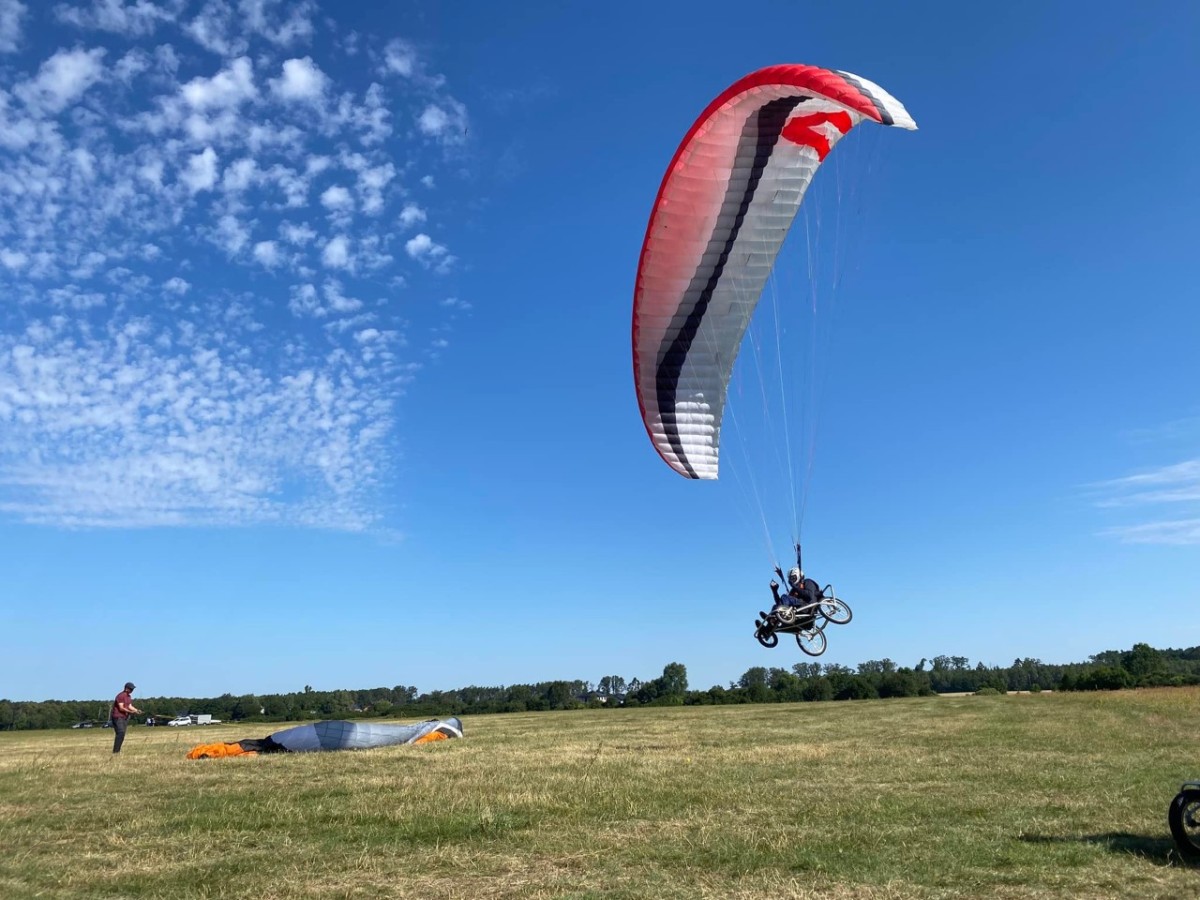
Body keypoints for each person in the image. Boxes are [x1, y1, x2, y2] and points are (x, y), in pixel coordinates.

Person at [110, 682, 141, 754]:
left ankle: (117, 751)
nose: (132, 690)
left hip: (124, 717)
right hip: (118, 717)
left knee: (122, 734)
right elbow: (121, 708)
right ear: (126, 688)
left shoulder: (128, 697)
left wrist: (136, 710)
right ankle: (115, 751)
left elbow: (130, 706)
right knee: (120, 733)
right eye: (131, 689)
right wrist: (131, 712)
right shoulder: (120, 696)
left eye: (133, 689)